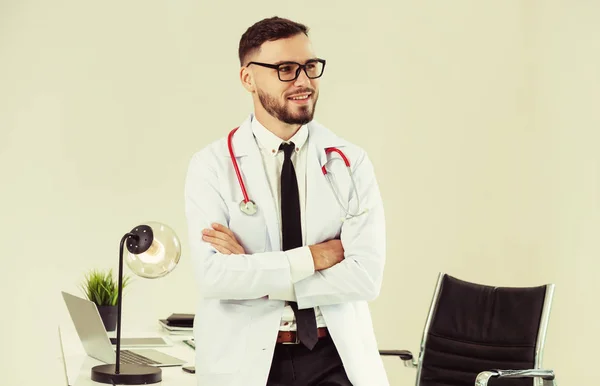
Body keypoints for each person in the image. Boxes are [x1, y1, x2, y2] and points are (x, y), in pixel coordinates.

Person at [184, 16, 389, 386]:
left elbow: (365, 277)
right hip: (249, 361)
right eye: (285, 69)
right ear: (248, 78)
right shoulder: (210, 166)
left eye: (310, 67)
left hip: (334, 358)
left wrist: (251, 269)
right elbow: (213, 277)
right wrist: (313, 258)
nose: (304, 82)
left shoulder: (349, 161)